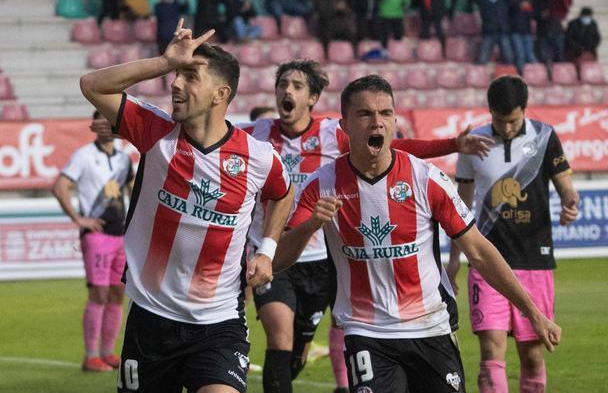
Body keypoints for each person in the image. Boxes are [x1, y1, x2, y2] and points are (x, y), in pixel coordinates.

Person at [274, 75, 562, 392]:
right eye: (365, 114)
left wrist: (533, 313)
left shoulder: (426, 179)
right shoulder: (320, 184)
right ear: (344, 126)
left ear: (395, 120)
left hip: (430, 327)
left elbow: (479, 251)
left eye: (385, 113)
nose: (377, 123)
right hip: (367, 332)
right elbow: (279, 260)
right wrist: (310, 226)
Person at [238, 61, 493, 393]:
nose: (287, 91)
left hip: (322, 256)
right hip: (278, 248)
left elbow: (395, 148)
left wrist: (451, 145)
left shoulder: (333, 134)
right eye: (282, 84)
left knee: (297, 349)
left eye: (297, 86)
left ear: (313, 97)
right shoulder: (254, 134)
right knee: (279, 333)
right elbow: (214, 137)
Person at [80, 19, 294, 392]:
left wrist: (268, 251)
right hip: (150, 320)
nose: (176, 85)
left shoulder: (258, 157)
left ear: (219, 94)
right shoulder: (155, 131)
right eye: (176, 76)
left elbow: (283, 192)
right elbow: (92, 85)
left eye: (190, 77)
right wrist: (165, 62)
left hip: (219, 324)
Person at [448, 75, 579, 393]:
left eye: (512, 121)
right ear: (489, 112)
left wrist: (570, 204)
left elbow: (566, 188)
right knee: (491, 351)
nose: (505, 128)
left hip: (534, 259)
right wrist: (453, 259)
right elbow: (461, 208)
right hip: (486, 261)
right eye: (498, 120)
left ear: (525, 109)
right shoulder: (474, 143)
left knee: (532, 355)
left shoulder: (546, 137)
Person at [52, 111, 135, 373]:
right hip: (97, 234)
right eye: (102, 120)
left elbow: (133, 191)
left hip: (121, 234)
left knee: (117, 294)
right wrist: (79, 218)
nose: (108, 125)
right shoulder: (83, 155)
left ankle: (108, 353)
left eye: (112, 120)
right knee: (98, 294)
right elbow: (60, 186)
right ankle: (90, 356)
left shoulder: (124, 159)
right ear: (95, 125)